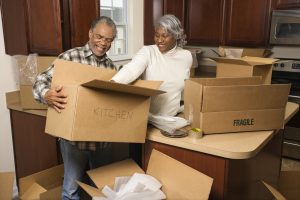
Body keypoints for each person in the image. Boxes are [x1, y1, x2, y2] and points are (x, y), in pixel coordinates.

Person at [33, 16, 117, 200]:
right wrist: (46, 94)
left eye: (109, 40)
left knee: (102, 188)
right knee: (71, 190)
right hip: (74, 140)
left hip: (102, 139)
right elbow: (40, 80)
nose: (103, 43)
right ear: (90, 33)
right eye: (99, 37)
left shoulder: (111, 67)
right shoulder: (70, 57)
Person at [111, 14, 192, 116]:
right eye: (157, 35)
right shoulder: (148, 51)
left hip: (172, 118)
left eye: (165, 36)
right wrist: (112, 83)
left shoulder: (186, 56)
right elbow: (131, 69)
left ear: (176, 35)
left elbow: (184, 89)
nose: (159, 40)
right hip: (148, 119)